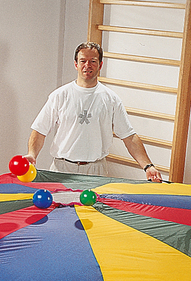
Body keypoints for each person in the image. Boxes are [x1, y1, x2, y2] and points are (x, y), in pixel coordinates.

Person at [25, 42, 162, 183]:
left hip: (96, 171)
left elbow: (129, 137)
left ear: (100, 65)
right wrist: (32, 154)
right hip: (62, 169)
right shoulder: (59, 95)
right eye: (83, 61)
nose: (87, 65)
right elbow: (39, 131)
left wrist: (148, 166)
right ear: (76, 64)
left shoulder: (111, 99)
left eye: (93, 61)